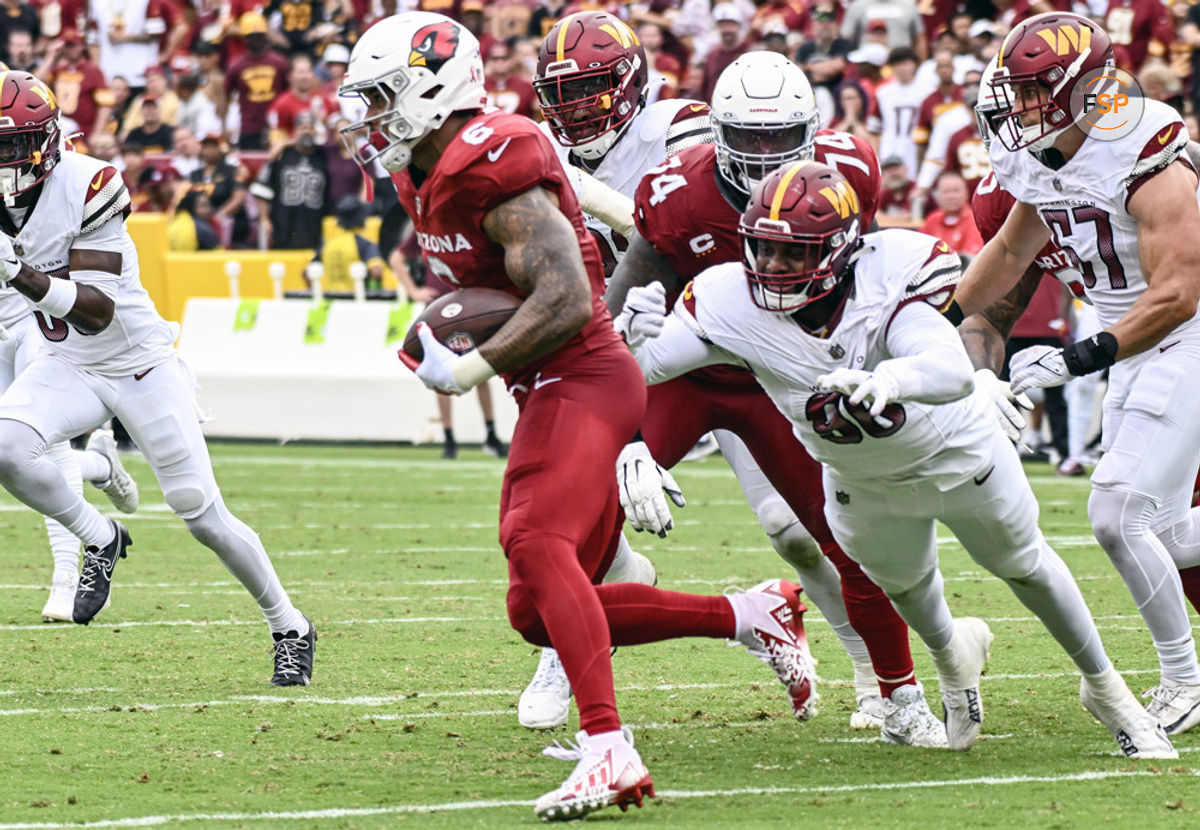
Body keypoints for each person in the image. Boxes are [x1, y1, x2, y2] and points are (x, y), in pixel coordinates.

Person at [341, 13, 817, 820]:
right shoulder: (422, 166)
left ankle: (608, 747)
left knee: (534, 540)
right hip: (548, 382)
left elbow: (563, 296)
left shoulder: (493, 157)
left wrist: (473, 364)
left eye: (384, 97)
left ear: (432, 88)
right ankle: (752, 614)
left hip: (584, 372)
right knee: (536, 611)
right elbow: (520, 247)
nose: (371, 116)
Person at [628, 159, 1176, 760]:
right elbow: (644, 370)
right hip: (861, 482)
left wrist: (890, 377)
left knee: (1026, 566)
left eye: (795, 255)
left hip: (957, 454)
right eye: (763, 250)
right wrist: (634, 337)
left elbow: (947, 370)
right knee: (911, 593)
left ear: (840, 250)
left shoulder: (891, 274)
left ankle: (1108, 691)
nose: (774, 269)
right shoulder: (728, 297)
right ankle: (951, 659)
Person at [606, 51, 940, 747]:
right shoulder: (675, 189)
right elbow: (633, 282)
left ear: (812, 130)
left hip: (780, 376)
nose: (764, 154)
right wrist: (624, 429)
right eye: (749, 137)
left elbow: (865, 279)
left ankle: (897, 690)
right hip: (686, 370)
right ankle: (564, 663)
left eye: (779, 137)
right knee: (580, 507)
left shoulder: (849, 170)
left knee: (839, 536)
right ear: (715, 131)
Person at [0, 71, 314, 684]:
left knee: (200, 513)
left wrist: (20, 275)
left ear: (45, 143)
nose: (0, 161)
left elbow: (97, 310)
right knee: (7, 448)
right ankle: (100, 536)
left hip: (138, 363)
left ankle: (289, 624)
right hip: (64, 363)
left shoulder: (88, 184)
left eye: (9, 148)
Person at [950, 11, 1200, 737]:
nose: (1017, 105)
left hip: (1183, 330)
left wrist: (1075, 359)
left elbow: (1180, 291)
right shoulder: (1045, 148)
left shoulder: (1143, 144)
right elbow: (1007, 252)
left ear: (1080, 90)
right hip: (1134, 334)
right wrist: (928, 326)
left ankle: (1185, 678)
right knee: (1162, 526)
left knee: (1118, 514)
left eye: (1032, 92)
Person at [515, 9, 710, 730]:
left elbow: (689, 227)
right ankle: (568, 642)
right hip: (621, 340)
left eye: (590, 90)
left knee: (795, 523)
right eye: (560, 95)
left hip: (719, 326)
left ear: (631, 84)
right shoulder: (536, 148)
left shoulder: (679, 127)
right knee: (572, 491)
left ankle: (880, 675)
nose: (573, 109)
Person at [250, 111, 330, 249]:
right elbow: (262, 189)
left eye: (311, 128)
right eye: (303, 128)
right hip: (283, 225)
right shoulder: (281, 156)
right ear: (295, 130)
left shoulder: (324, 157)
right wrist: (264, 218)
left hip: (314, 226)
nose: (308, 131)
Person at [919, 171, 983, 257]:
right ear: (938, 196)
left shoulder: (974, 220)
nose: (951, 196)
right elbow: (919, 252)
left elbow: (969, 257)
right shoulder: (932, 220)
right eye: (946, 192)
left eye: (956, 191)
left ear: (966, 194)